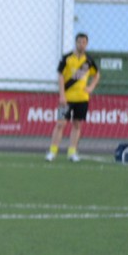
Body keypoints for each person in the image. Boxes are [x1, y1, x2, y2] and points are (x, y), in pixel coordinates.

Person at [46, 32, 99, 162]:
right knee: (60, 124)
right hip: (67, 98)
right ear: (76, 43)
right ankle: (52, 151)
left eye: (84, 42)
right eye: (79, 42)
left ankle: (72, 152)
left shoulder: (89, 60)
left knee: (77, 125)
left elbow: (97, 74)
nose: (81, 44)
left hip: (82, 98)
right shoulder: (67, 58)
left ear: (87, 44)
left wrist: (91, 87)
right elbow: (60, 76)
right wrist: (62, 95)